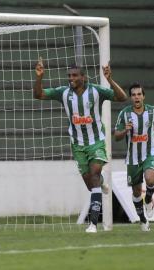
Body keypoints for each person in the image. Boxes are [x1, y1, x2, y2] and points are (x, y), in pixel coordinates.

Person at [34, 58, 127, 233]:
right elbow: (38, 95)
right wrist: (39, 77)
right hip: (78, 145)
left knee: (93, 175)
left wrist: (110, 80)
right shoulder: (63, 93)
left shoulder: (96, 91)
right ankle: (101, 183)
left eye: (75, 75)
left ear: (83, 77)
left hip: (96, 142)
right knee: (92, 183)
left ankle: (93, 224)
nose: (71, 78)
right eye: (69, 75)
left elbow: (122, 97)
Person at [114, 82, 154, 231]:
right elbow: (116, 136)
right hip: (132, 158)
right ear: (131, 98)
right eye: (133, 95)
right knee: (136, 192)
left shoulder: (152, 111)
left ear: (143, 96)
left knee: (150, 178)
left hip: (150, 152)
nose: (136, 97)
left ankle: (149, 199)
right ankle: (143, 220)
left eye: (139, 94)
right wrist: (125, 130)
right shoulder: (124, 114)